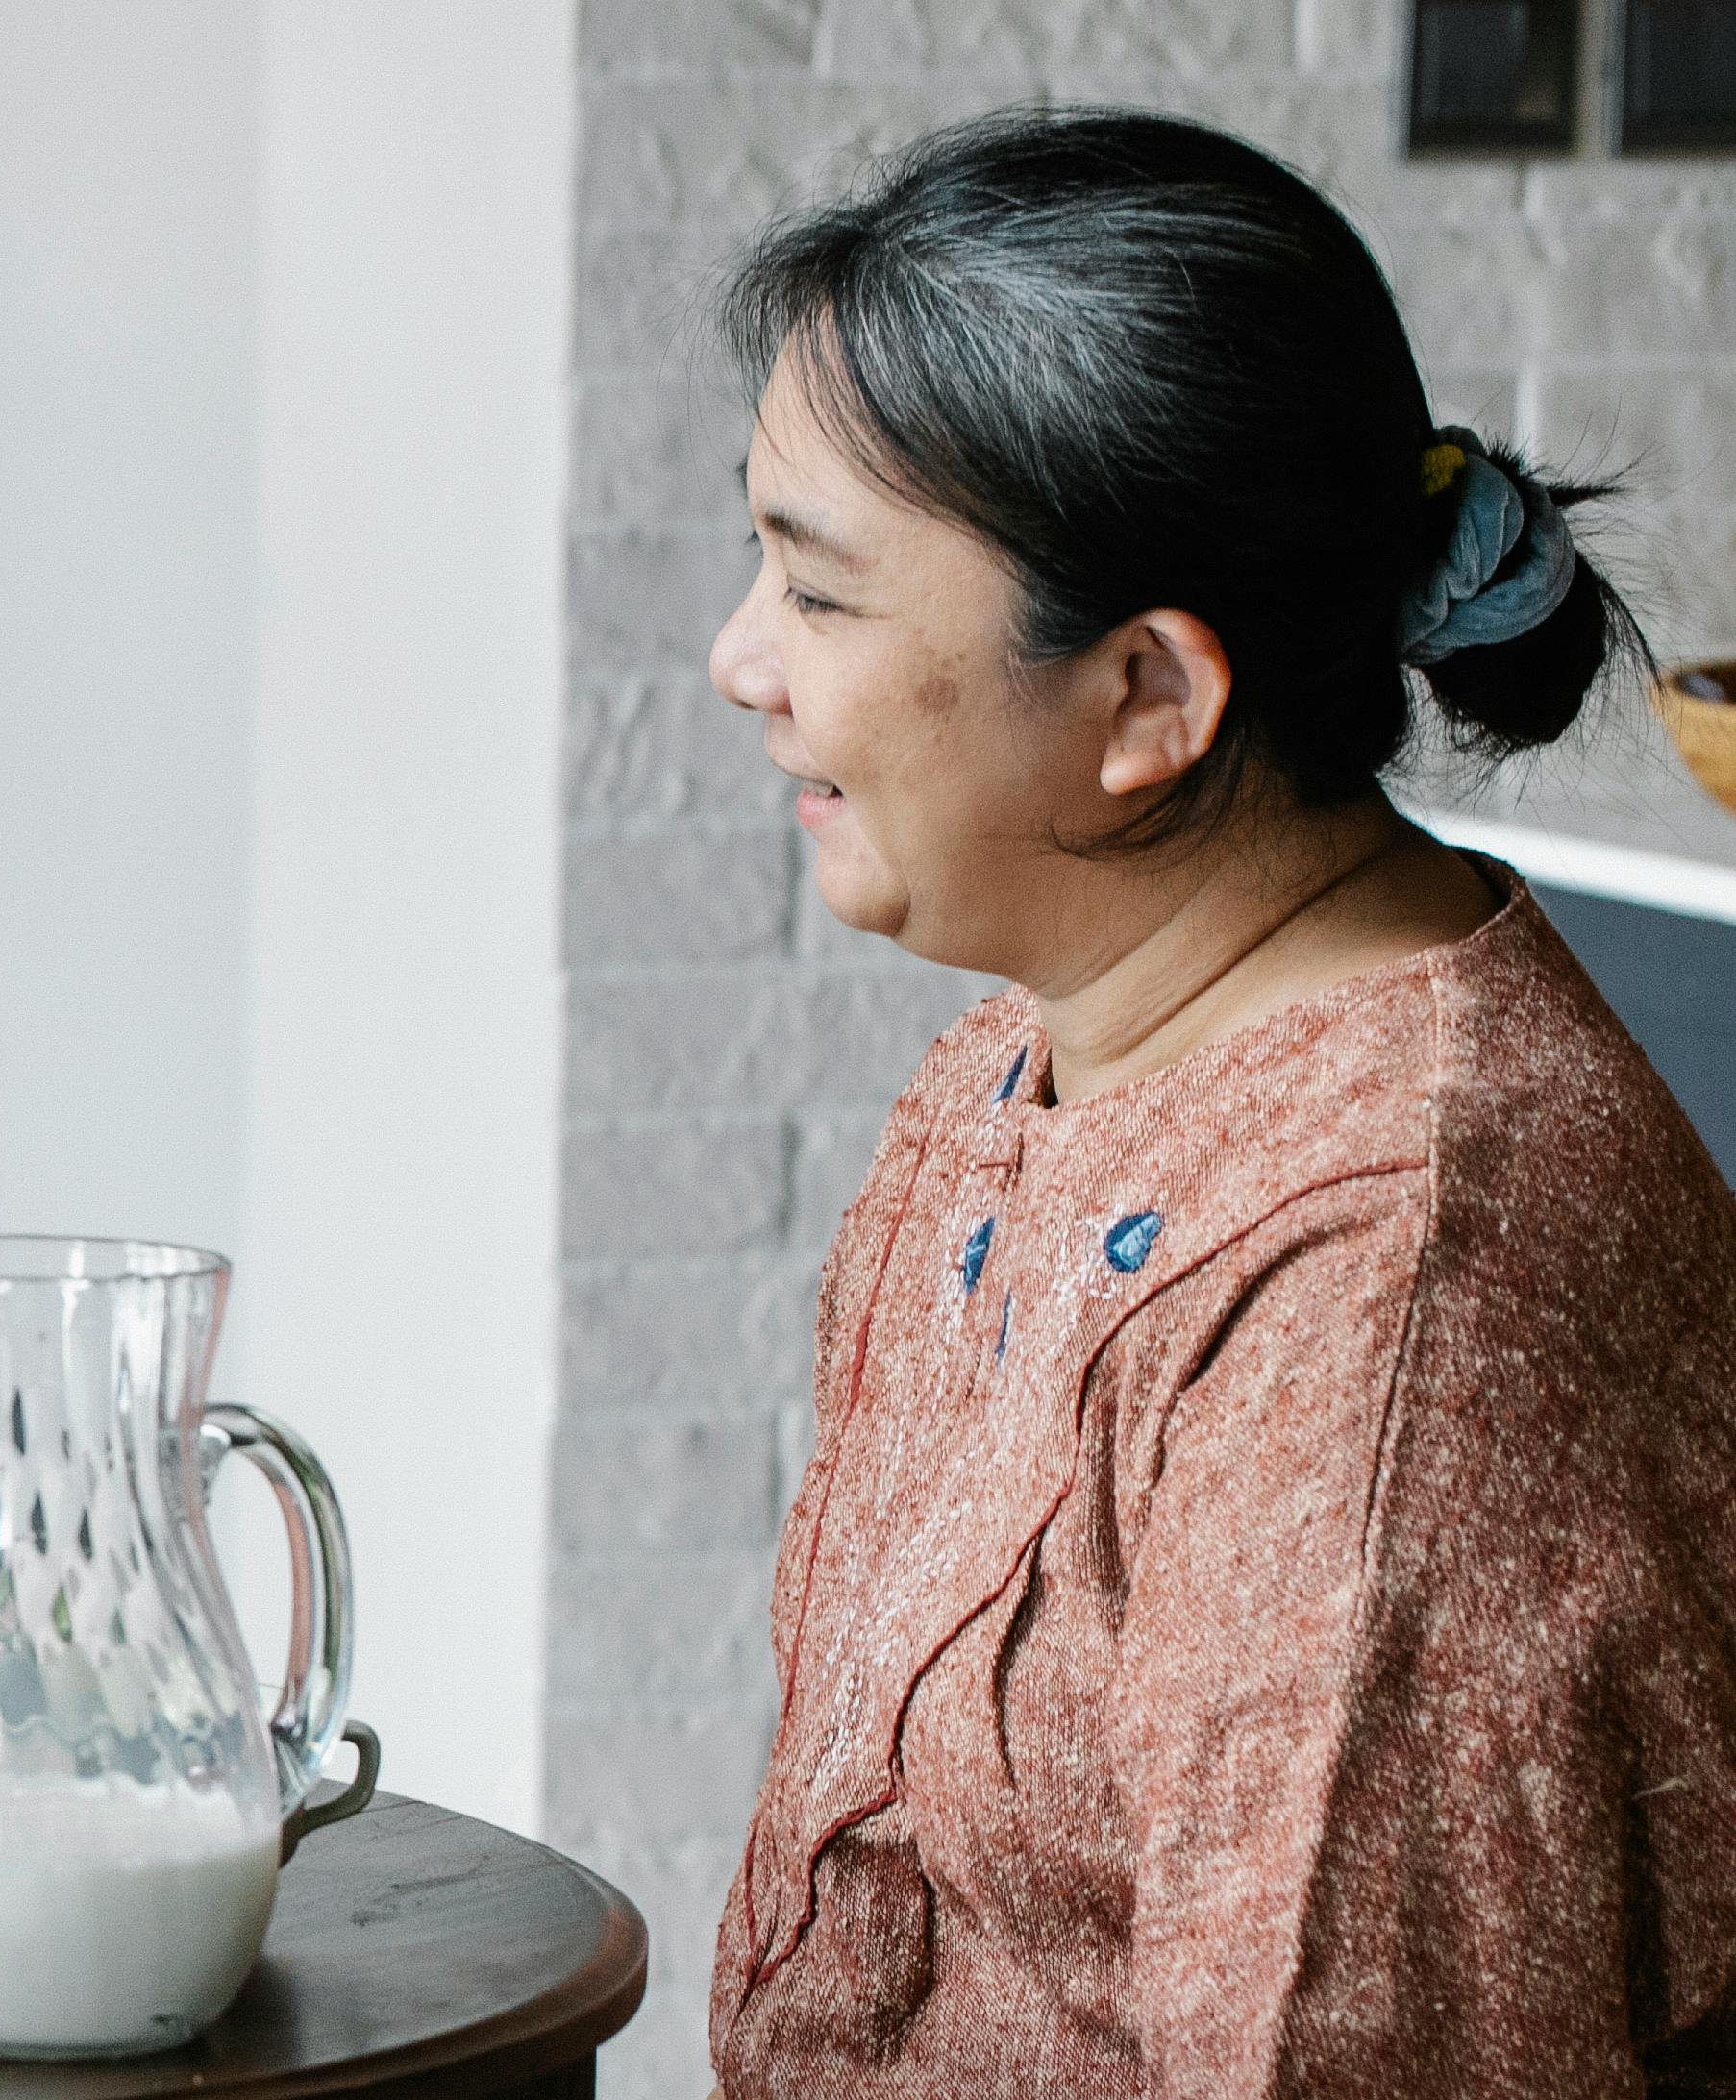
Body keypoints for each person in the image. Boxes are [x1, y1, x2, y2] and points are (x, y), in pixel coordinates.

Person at [700, 109, 1736, 2092]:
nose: (738, 659)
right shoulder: (1054, 1055)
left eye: (818, 596)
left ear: (1149, 702)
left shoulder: (1390, 1290)